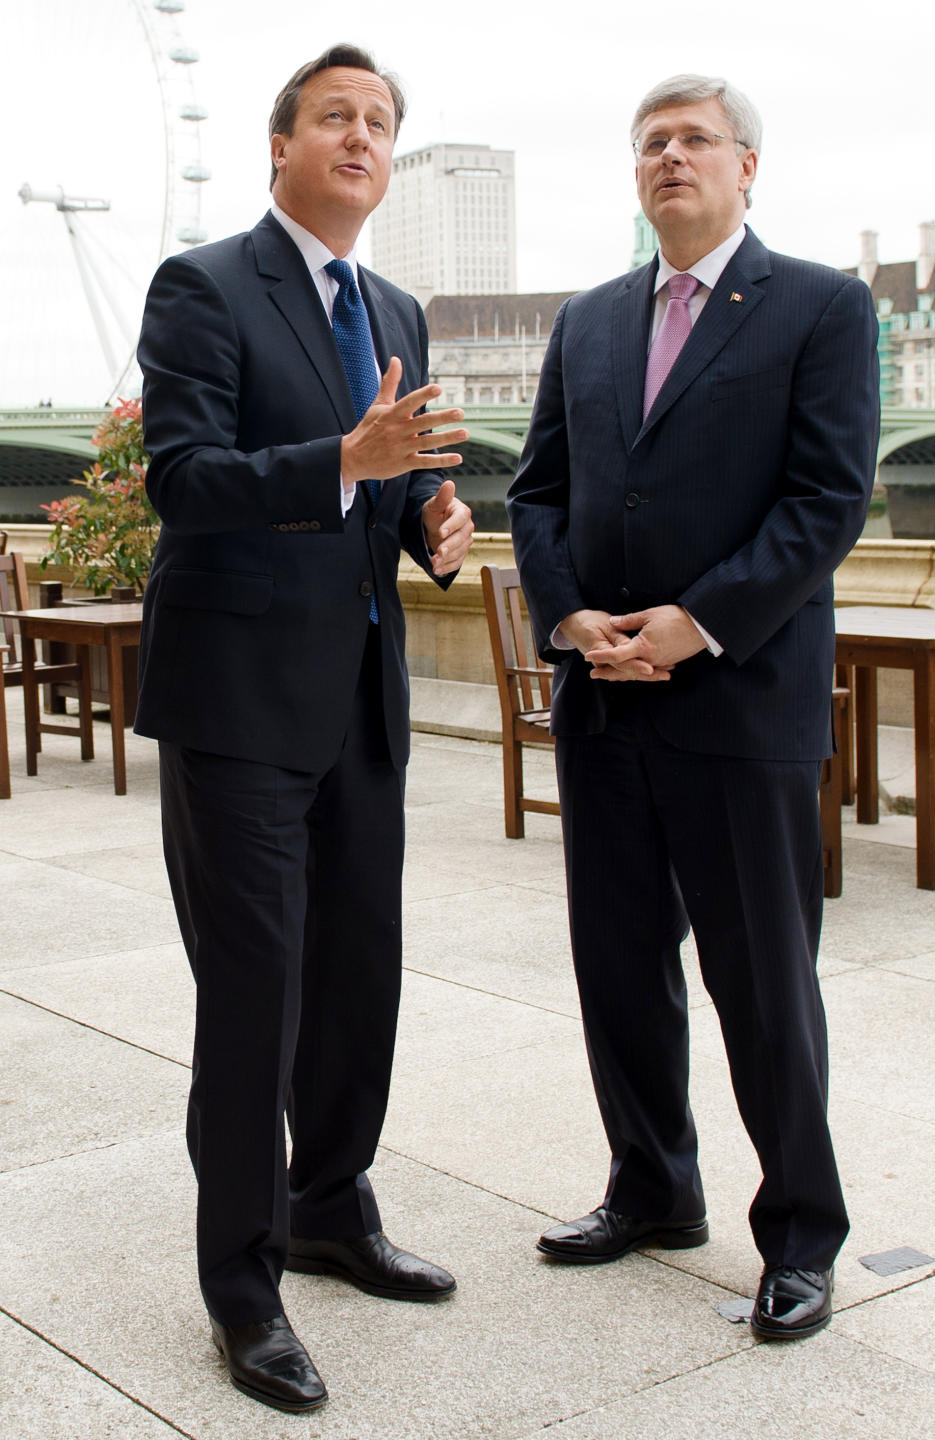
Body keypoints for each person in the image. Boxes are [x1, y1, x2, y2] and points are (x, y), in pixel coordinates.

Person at [506, 74, 879, 1341]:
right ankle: (653, 1190)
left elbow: (826, 502)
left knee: (764, 982)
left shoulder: (822, 307)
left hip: (740, 700)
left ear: (747, 168)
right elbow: (539, 490)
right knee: (619, 971)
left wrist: (696, 621)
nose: (671, 156)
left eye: (696, 140)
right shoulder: (591, 320)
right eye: (651, 142)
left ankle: (803, 1237)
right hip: (603, 699)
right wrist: (568, 617)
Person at [135, 44, 474, 1413]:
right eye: (336, 115)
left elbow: (388, 501)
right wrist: (345, 460)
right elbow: (183, 480)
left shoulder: (394, 303)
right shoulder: (204, 285)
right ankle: (244, 1286)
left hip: (356, 701)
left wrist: (431, 526)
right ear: (281, 145)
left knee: (357, 977)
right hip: (234, 706)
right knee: (256, 996)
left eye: (382, 122)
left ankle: (333, 1208)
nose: (362, 136)